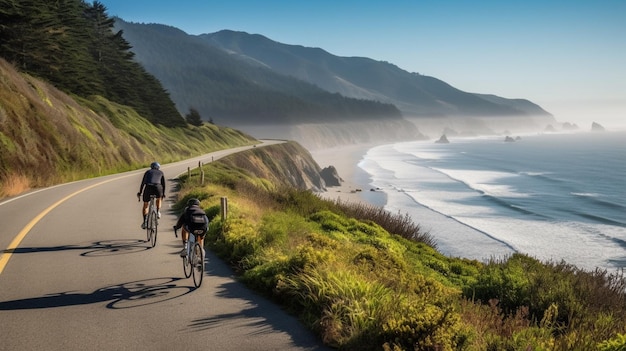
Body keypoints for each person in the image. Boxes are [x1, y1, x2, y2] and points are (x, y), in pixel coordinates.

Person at [137, 161, 166, 229]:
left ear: (151, 167)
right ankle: (158, 212)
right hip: (158, 188)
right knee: (159, 199)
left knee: (146, 205)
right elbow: (163, 185)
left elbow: (143, 183)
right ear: (158, 167)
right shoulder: (161, 172)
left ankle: (145, 222)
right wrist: (163, 194)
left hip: (148, 188)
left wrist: (140, 193)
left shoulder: (148, 172)